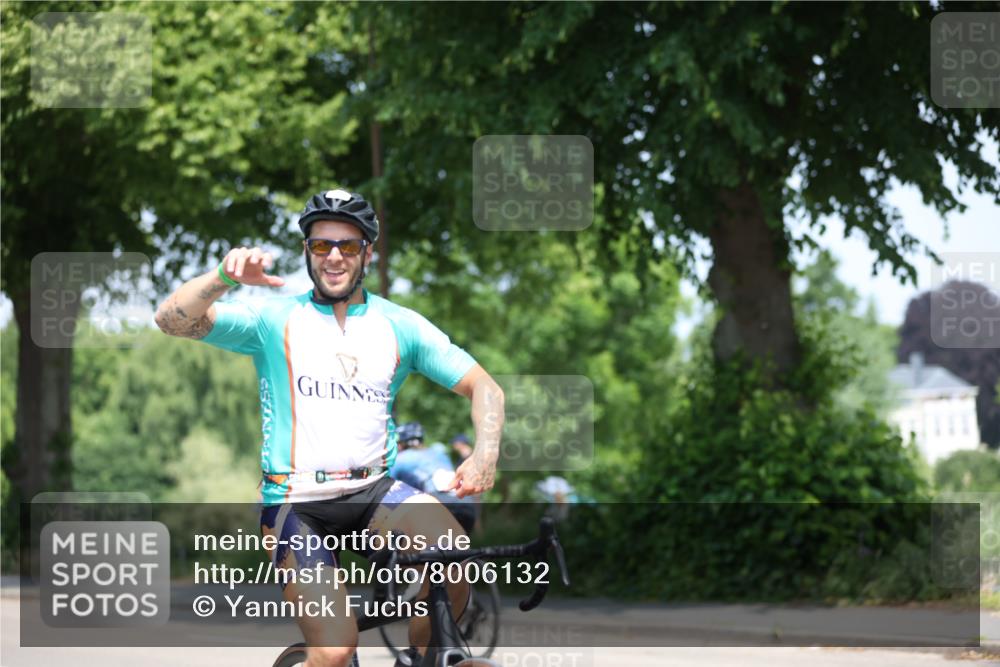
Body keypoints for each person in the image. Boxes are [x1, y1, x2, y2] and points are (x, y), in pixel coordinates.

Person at [154, 188, 505, 667]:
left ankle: (423, 659)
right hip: (295, 504)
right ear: (307, 251)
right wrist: (220, 278)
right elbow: (172, 319)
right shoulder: (273, 318)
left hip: (374, 492)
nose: (334, 256)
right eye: (322, 245)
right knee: (337, 649)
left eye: (348, 245)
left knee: (452, 554)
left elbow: (485, 387)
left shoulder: (399, 325)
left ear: (368, 253)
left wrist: (485, 453)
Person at [390, 422, 479, 534]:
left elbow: (388, 491)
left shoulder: (400, 459)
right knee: (457, 547)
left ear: (401, 443)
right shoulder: (439, 453)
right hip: (466, 504)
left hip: (437, 504)